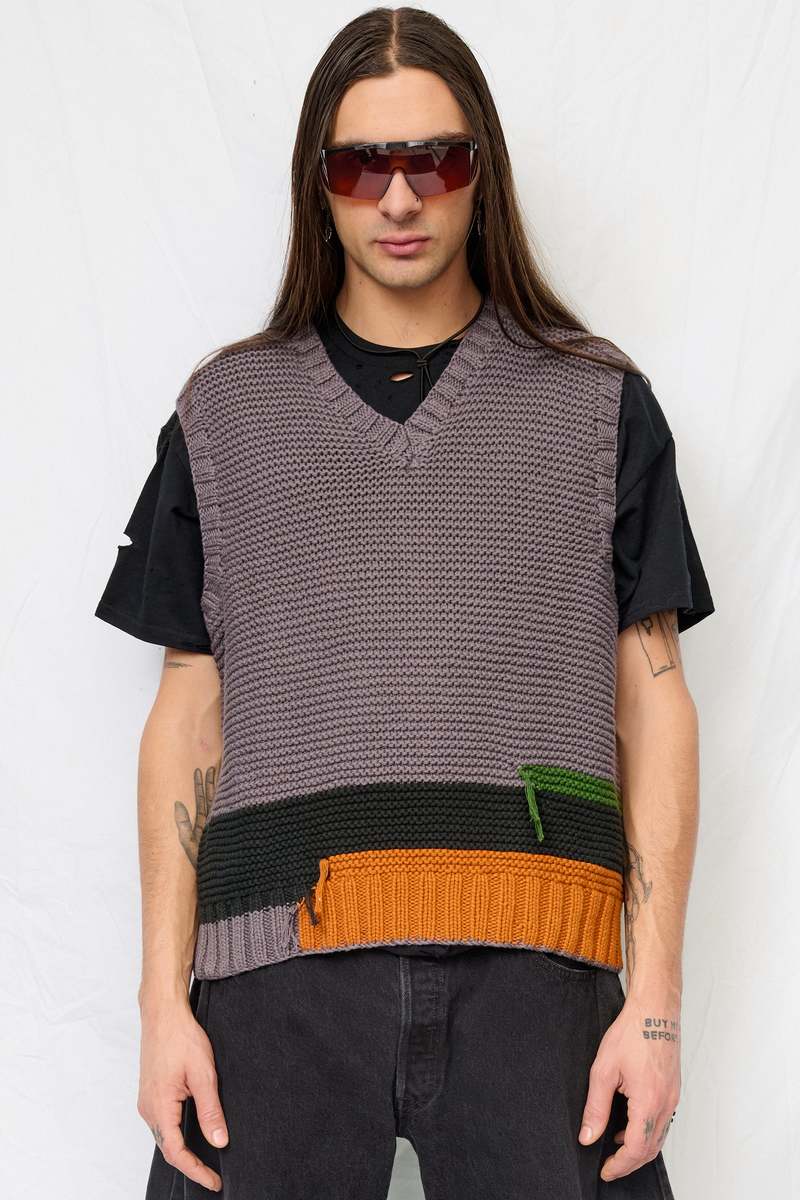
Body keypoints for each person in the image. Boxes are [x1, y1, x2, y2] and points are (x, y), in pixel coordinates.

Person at [94, 8, 715, 1198]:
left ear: (480, 172)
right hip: (275, 981)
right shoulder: (224, 416)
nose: (396, 198)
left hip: (538, 978)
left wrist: (654, 1005)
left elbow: (654, 706)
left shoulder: (597, 405)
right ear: (316, 182)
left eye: (432, 160)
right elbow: (185, 721)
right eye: (358, 165)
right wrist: (163, 1005)